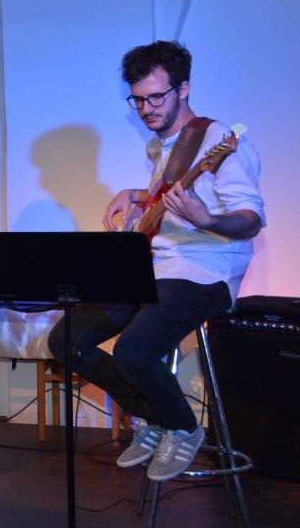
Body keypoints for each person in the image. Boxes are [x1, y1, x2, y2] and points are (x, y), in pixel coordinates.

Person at [48, 40, 264, 482]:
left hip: (205, 271)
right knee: (66, 340)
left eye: (156, 97)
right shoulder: (162, 146)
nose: (146, 109)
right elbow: (171, 196)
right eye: (138, 100)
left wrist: (208, 220)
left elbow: (251, 218)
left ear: (183, 89)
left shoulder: (220, 142)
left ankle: (183, 428)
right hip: (158, 266)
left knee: (134, 351)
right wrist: (136, 194)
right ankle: (150, 417)